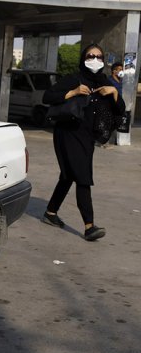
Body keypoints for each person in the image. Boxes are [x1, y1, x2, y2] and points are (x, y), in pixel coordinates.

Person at [41, 43, 125, 241]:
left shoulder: (105, 81)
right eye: (90, 56)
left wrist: (113, 94)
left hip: (87, 136)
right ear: (83, 59)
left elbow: (120, 110)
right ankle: (89, 226)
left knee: (68, 175)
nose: (94, 60)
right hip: (68, 133)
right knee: (83, 176)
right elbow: (48, 96)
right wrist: (73, 92)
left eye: (98, 57)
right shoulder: (73, 79)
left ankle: (50, 213)